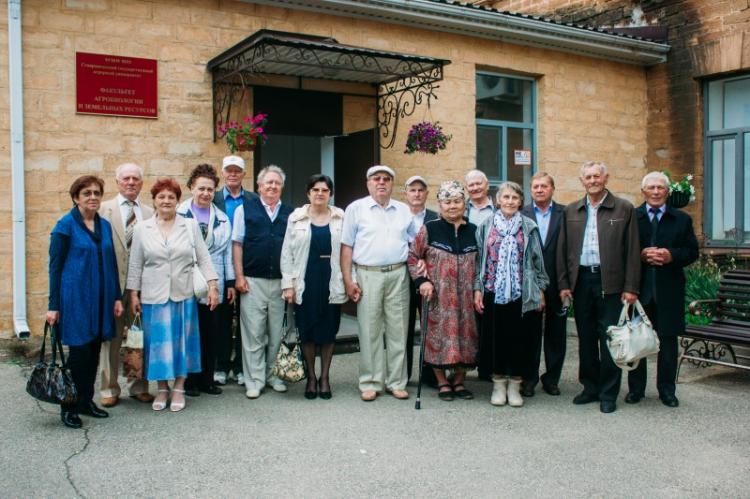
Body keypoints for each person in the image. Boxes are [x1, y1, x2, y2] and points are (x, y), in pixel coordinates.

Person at [127, 178, 220, 412]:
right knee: (157, 346)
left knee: (181, 343)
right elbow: (135, 264)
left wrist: (213, 286)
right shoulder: (142, 228)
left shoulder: (188, 226)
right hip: (153, 296)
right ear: (155, 201)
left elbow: (204, 257)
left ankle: (179, 387)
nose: (166, 201)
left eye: (171, 197)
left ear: (178, 201)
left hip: (182, 294)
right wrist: (133, 294)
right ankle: (162, 388)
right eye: (161, 197)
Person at [557, 161, 640, 414]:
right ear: (582, 181)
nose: (592, 181)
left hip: (612, 285)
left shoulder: (623, 208)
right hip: (581, 282)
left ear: (606, 178)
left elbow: (633, 251)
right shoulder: (572, 210)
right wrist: (563, 284)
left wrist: (631, 287)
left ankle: (608, 393)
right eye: (588, 177)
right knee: (586, 339)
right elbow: (562, 250)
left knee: (610, 340)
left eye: (597, 176)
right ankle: (590, 388)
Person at [47, 175, 124, 429]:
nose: (92, 197)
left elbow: (111, 264)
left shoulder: (103, 225)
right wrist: (53, 305)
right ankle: (68, 406)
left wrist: (116, 297)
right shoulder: (65, 226)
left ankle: (85, 401)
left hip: (101, 300)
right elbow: (55, 268)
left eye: (96, 193)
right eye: (87, 193)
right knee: (79, 355)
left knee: (93, 354)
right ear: (76, 197)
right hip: (76, 300)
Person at [341, 165, 416, 402]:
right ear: (368, 183)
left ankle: (396, 382)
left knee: (398, 329)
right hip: (367, 274)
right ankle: (371, 381)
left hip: (398, 274)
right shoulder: (356, 209)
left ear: (392, 184)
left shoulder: (404, 210)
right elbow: (346, 247)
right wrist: (348, 279)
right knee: (370, 329)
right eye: (376, 179)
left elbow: (415, 244)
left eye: (386, 179)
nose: (381, 182)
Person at [626, 171, 698, 408]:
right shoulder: (632, 217)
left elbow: (692, 252)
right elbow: (620, 250)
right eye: (651, 188)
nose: (656, 192)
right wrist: (640, 254)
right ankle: (636, 390)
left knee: (668, 343)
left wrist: (671, 255)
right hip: (639, 290)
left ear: (667, 192)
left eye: (660, 188)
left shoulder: (681, 219)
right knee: (637, 341)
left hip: (669, 291)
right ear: (643, 191)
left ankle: (667, 390)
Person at [474, 181, 548, 408]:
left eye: (514, 198)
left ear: (520, 202)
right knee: (496, 339)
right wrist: (477, 288)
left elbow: (537, 261)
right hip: (492, 292)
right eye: (505, 197)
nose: (509, 201)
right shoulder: (486, 226)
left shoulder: (528, 227)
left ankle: (515, 385)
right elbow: (479, 261)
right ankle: (498, 384)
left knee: (520, 340)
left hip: (521, 294)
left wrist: (541, 291)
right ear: (497, 200)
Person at [408, 181, 479, 401]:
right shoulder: (430, 229)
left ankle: (458, 381)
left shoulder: (474, 231)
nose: (452, 206)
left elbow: (483, 263)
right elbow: (413, 257)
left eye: (457, 201)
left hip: (467, 298)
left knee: (467, 338)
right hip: (438, 297)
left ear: (464, 204)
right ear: (439, 204)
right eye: (447, 202)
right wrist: (422, 281)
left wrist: (479, 289)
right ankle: (441, 382)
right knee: (436, 337)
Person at [281, 174, 346, 400]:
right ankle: (311, 377)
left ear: (330, 194)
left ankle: (325, 377)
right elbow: (286, 253)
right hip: (305, 278)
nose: (320, 193)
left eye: (325, 190)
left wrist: (351, 280)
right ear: (308, 193)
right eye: (316, 189)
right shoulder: (296, 218)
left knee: (328, 330)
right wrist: (288, 285)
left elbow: (349, 252)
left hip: (331, 277)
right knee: (307, 330)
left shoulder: (340, 217)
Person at [232, 165, 293, 399]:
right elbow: (237, 244)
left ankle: (273, 375)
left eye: (277, 183)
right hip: (252, 280)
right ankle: (254, 380)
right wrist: (239, 276)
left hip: (280, 282)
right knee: (253, 333)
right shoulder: (244, 209)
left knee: (277, 333)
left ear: (282, 187)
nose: (273, 186)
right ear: (259, 186)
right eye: (268, 182)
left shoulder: (290, 212)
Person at [97, 163, 154, 408]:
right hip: (114, 286)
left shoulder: (150, 212)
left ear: (141, 183)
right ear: (117, 182)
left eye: (135, 179)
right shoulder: (102, 210)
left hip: (143, 287)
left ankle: (138, 386)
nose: (131, 182)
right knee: (110, 339)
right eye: (126, 179)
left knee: (139, 337)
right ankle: (109, 388)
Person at [178, 164, 235, 397]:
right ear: (191, 187)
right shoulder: (179, 214)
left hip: (214, 281)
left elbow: (228, 252)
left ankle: (207, 379)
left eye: (210, 189)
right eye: (201, 188)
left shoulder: (221, 218)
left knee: (212, 332)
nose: (205, 193)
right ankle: (189, 381)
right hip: (187, 280)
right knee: (190, 332)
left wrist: (229, 283)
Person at [213, 155, 258, 387]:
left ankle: (241, 366)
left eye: (237, 171)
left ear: (243, 174)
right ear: (223, 173)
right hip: (220, 266)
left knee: (245, 318)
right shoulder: (213, 198)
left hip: (245, 265)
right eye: (228, 170)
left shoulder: (253, 199)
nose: (233, 174)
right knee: (221, 318)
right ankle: (221, 365)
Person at [521, 172, 567, 397]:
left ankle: (551, 379)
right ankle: (528, 379)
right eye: (535, 186)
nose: (539, 190)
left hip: (558, 281)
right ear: (531, 190)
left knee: (556, 333)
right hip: (530, 283)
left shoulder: (565, 214)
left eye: (544, 186)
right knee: (529, 333)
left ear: (552, 189)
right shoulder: (522, 213)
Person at [403, 175, 438, 384]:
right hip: (403, 279)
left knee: (430, 326)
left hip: (428, 279)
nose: (416, 194)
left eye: (420, 190)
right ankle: (403, 375)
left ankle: (430, 375)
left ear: (426, 193)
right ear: (405, 193)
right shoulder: (398, 216)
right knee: (404, 328)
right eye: (412, 190)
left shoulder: (435, 217)